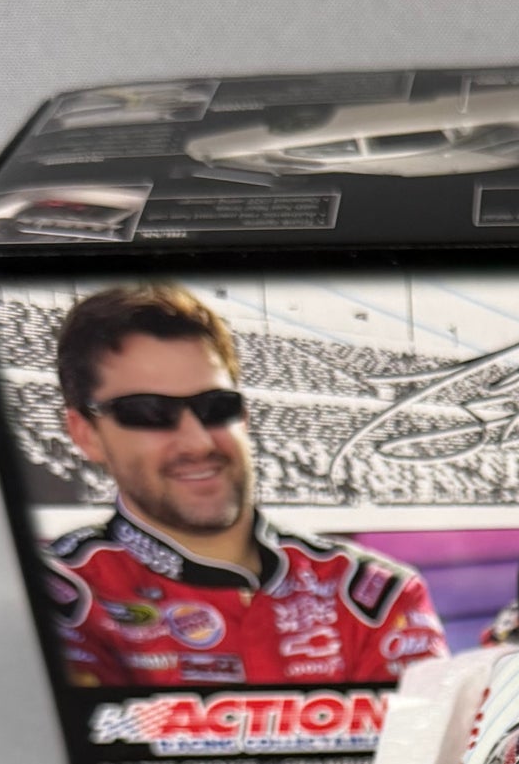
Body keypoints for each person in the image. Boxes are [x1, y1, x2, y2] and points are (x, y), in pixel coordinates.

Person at [40, 284, 447, 689]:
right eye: (148, 413)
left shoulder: (374, 595)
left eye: (216, 407)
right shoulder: (57, 594)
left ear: (245, 417)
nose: (198, 442)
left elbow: (423, 730)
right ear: (85, 434)